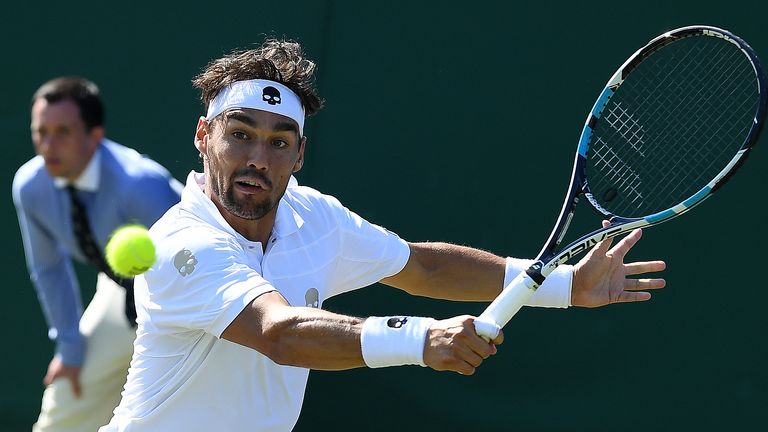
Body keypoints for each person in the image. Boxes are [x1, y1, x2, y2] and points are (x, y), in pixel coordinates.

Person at [101, 40, 666, 432]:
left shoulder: (314, 218)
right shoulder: (183, 243)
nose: (257, 158)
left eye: (279, 142)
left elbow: (423, 267)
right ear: (204, 136)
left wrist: (567, 286)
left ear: (300, 154)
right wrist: (421, 340)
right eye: (240, 134)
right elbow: (280, 333)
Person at [12, 77, 183, 432]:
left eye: (63, 132)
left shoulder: (140, 185)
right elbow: (48, 268)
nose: (48, 145)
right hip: (118, 291)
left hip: (182, 300)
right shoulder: (30, 186)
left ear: (95, 136)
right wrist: (69, 348)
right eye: (40, 132)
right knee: (66, 395)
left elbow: (191, 263)